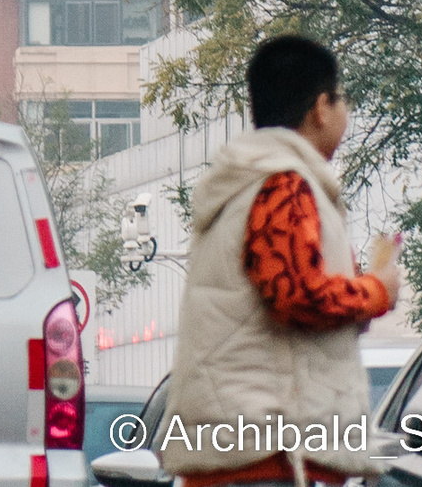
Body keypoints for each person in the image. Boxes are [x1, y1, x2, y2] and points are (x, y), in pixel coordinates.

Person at [160, 34, 398, 487]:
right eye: (341, 98)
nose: (344, 112)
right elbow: (297, 295)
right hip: (268, 458)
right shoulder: (284, 184)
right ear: (320, 108)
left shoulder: (254, 182)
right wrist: (377, 290)